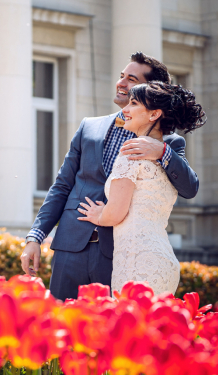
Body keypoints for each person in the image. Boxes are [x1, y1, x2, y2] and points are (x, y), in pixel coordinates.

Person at [20, 52, 199, 301]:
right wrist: (35, 237)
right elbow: (62, 186)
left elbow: (190, 187)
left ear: (151, 89)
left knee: (107, 332)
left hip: (117, 254)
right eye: (121, 76)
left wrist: (163, 152)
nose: (121, 83)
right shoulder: (88, 127)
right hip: (70, 248)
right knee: (62, 327)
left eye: (131, 79)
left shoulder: (169, 142)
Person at [76, 81, 206, 295]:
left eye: (133, 103)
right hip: (163, 259)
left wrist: (98, 215)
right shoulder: (162, 161)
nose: (125, 109)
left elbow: (116, 213)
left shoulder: (131, 153)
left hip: (137, 260)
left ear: (154, 114)